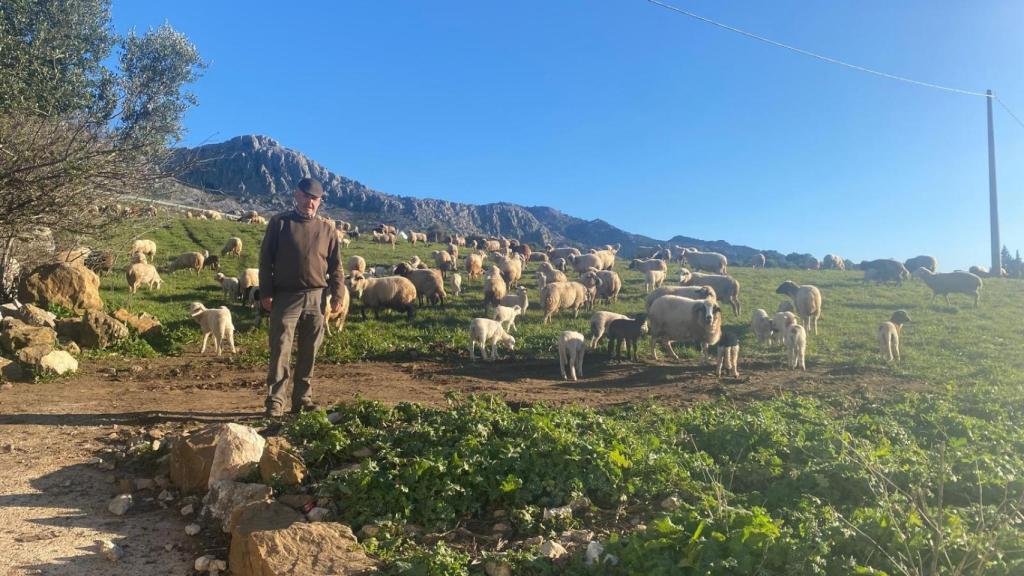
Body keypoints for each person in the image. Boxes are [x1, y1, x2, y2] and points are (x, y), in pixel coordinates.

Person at [258, 177, 344, 416]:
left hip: (317, 297)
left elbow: (336, 266)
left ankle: (302, 400)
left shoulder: (327, 229)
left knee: (310, 350)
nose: (310, 202)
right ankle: (275, 401)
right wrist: (265, 292)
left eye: (315, 198)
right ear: (296, 195)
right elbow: (266, 260)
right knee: (280, 348)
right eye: (306, 196)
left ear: (320, 201)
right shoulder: (280, 223)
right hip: (286, 296)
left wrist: (338, 293)